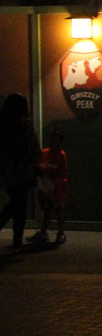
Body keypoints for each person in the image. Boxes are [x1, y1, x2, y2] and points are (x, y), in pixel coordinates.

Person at [0, 93, 40, 253]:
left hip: (5, 171)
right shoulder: (25, 125)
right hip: (23, 171)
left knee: (15, 204)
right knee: (19, 205)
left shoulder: (2, 124)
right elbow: (34, 148)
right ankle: (17, 241)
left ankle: (17, 241)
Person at [29, 128, 69, 245]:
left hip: (57, 186)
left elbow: (63, 170)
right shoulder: (44, 152)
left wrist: (51, 172)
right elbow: (39, 165)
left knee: (59, 210)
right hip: (45, 185)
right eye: (51, 138)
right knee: (46, 210)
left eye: (55, 139)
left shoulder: (61, 155)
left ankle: (61, 233)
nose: (52, 141)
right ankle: (43, 232)